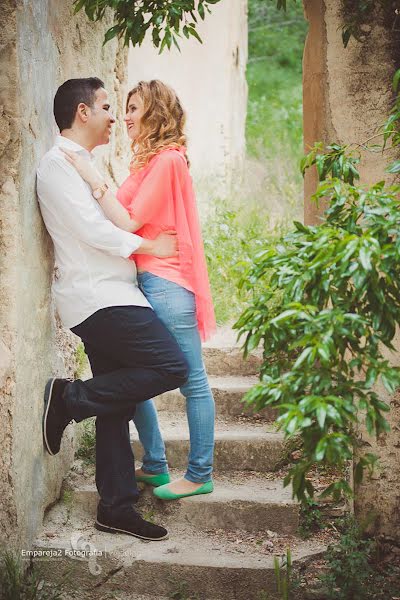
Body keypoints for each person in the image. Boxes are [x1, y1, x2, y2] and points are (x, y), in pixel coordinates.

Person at [36, 77, 190, 541]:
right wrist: (148, 245)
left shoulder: (85, 164)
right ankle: (68, 398)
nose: (113, 116)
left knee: (117, 402)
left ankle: (115, 508)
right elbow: (92, 231)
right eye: (106, 106)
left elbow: (115, 215)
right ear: (83, 112)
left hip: (114, 291)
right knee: (172, 366)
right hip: (98, 296)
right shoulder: (56, 165)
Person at [61, 79, 216, 501]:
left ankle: (200, 472)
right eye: (123, 108)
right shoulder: (147, 164)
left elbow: (127, 221)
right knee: (134, 376)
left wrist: (90, 174)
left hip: (168, 283)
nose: (125, 116)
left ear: (157, 114)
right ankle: (155, 464)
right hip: (145, 280)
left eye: (134, 108)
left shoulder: (168, 161)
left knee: (191, 381)